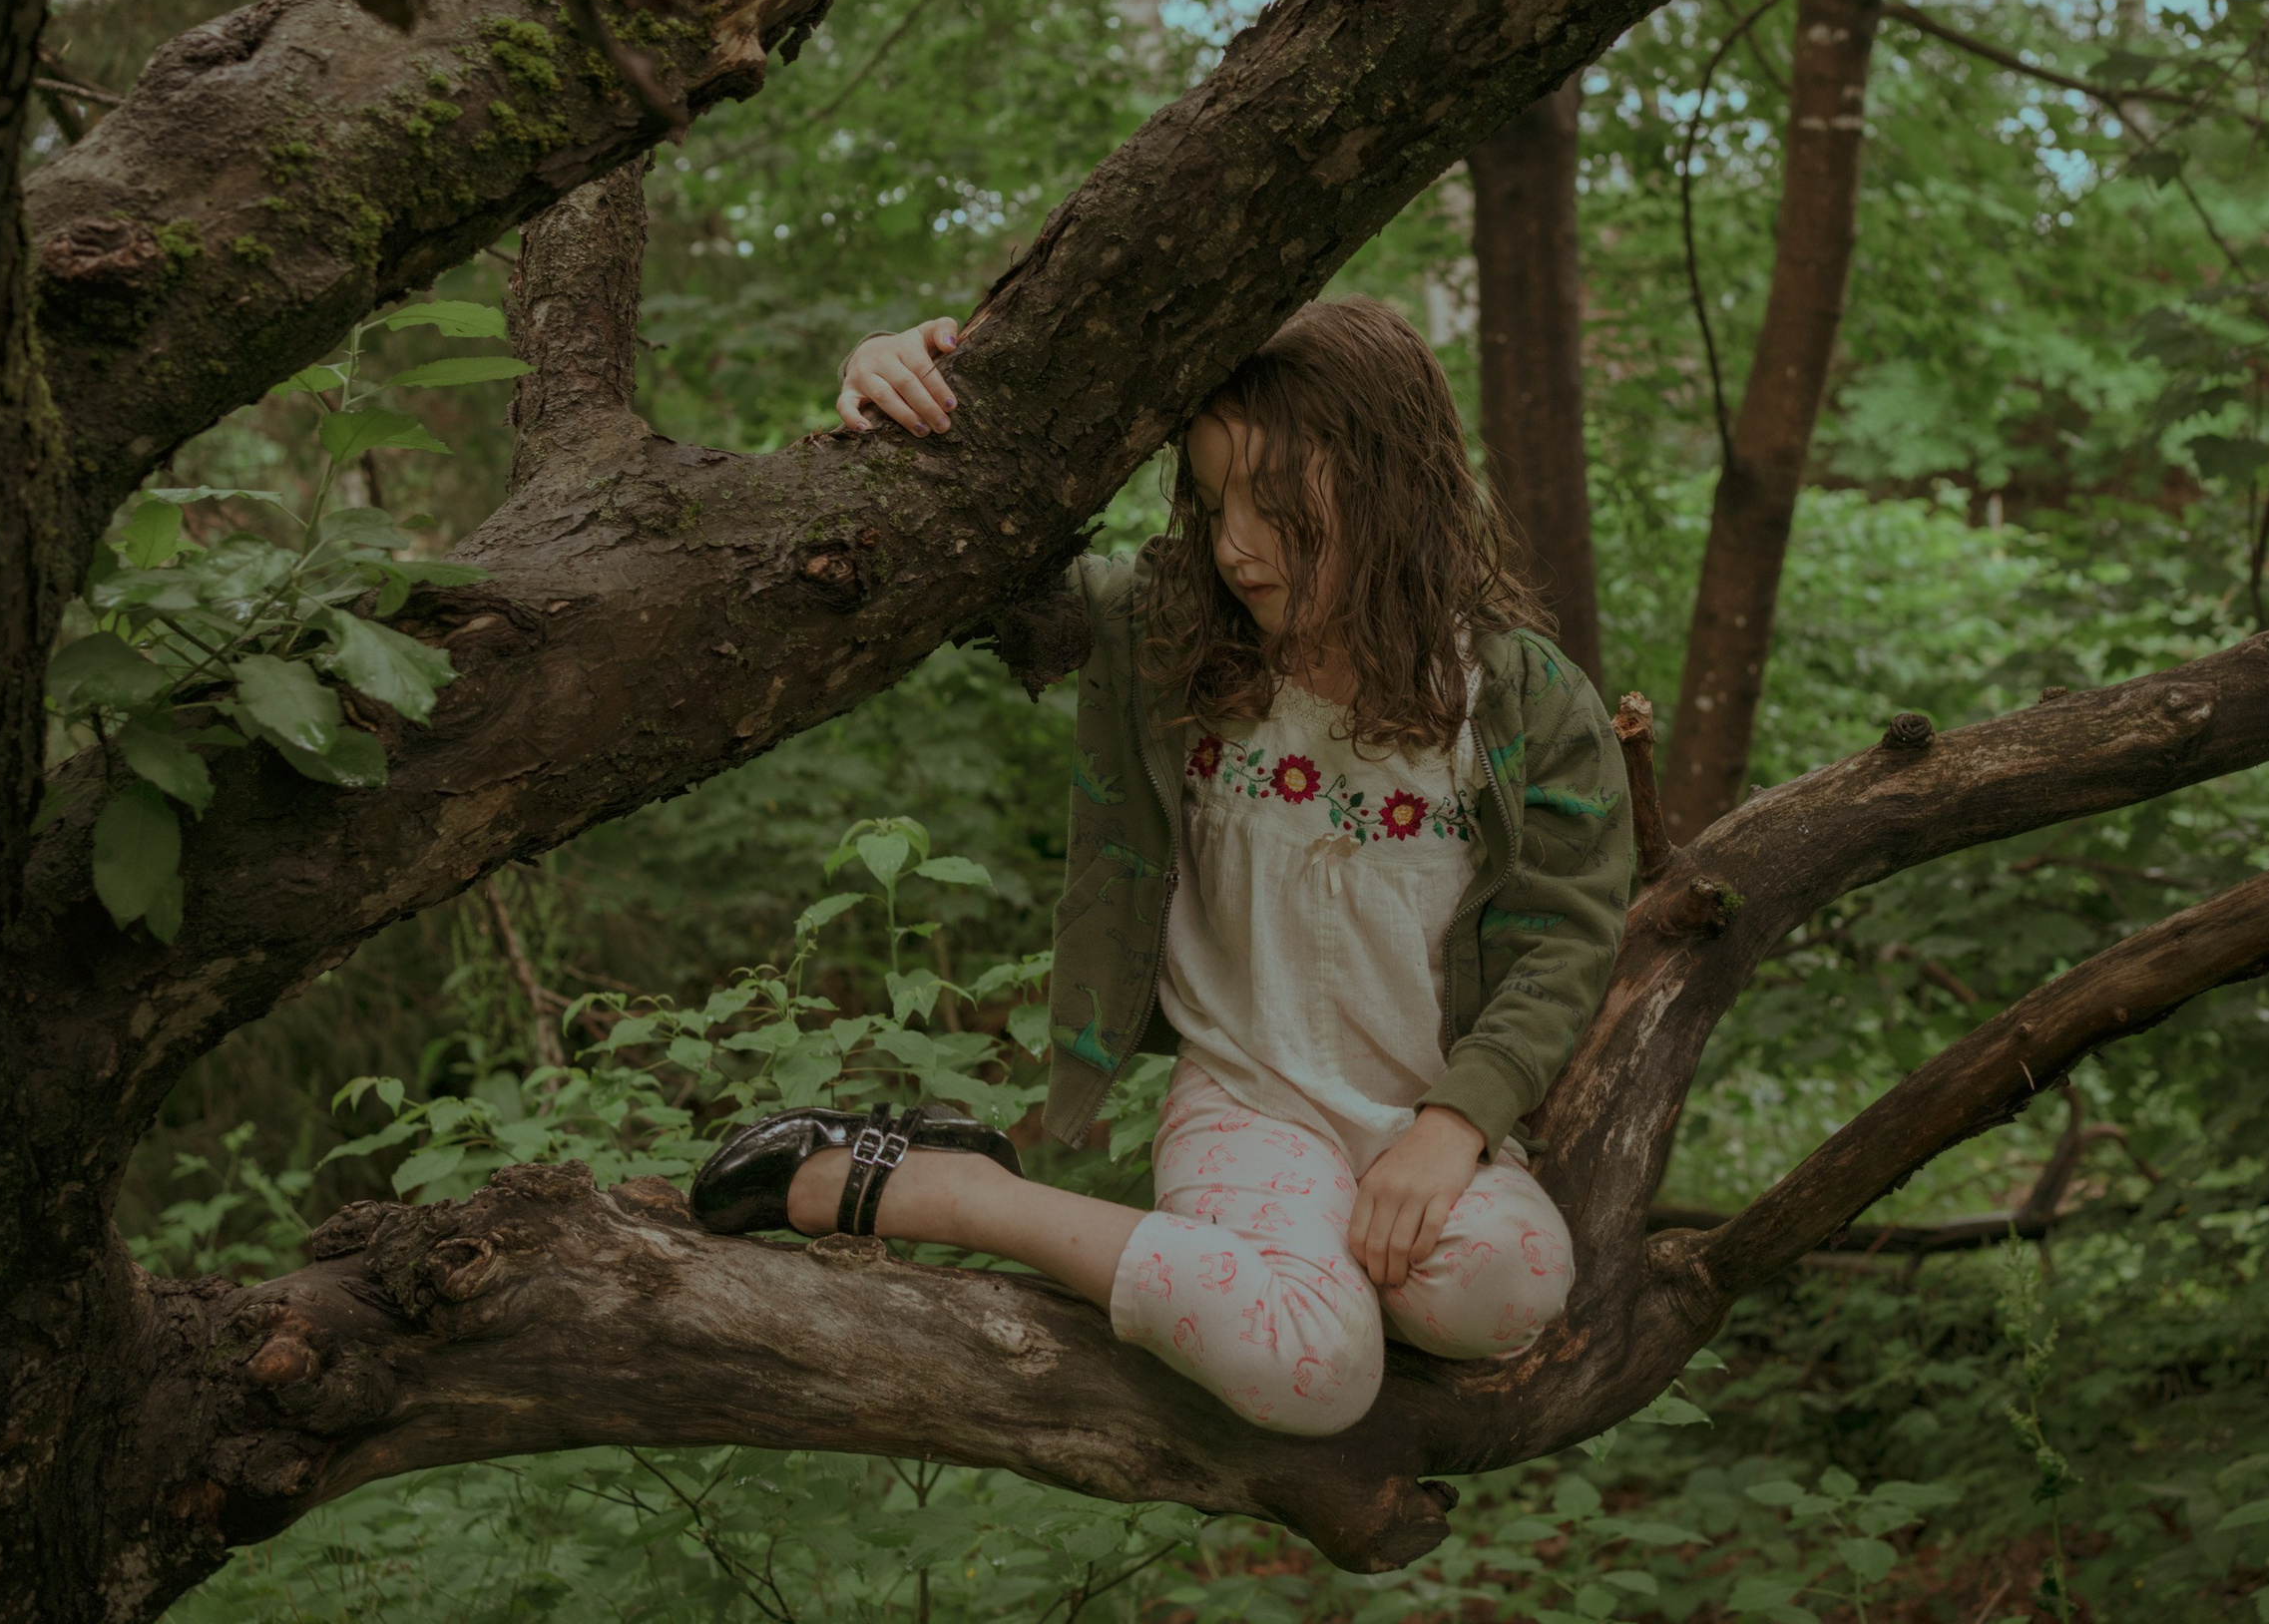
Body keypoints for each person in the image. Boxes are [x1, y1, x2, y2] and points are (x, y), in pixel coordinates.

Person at [691, 296, 1634, 1435]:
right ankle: (955, 1189)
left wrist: (1452, 1126)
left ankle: (1285, 1269)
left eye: (1279, 508)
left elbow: (1567, 936)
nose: (1236, 544)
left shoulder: (1523, 699)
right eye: (1216, 498)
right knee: (1318, 1374)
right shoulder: (1164, 641)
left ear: (1395, 487)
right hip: (1244, 1102)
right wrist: (897, 393)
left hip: (1418, 1117)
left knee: (1513, 1283)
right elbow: (967, 565)